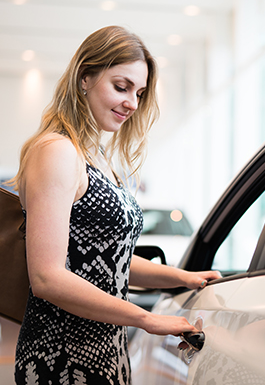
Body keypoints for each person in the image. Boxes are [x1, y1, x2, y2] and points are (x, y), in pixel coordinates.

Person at [12, 25, 221, 385]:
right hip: (62, 356)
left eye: (139, 93)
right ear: (84, 78)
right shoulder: (57, 151)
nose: (132, 103)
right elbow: (47, 277)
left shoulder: (96, 156)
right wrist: (145, 318)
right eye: (121, 87)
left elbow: (107, 258)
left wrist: (181, 277)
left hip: (105, 348)